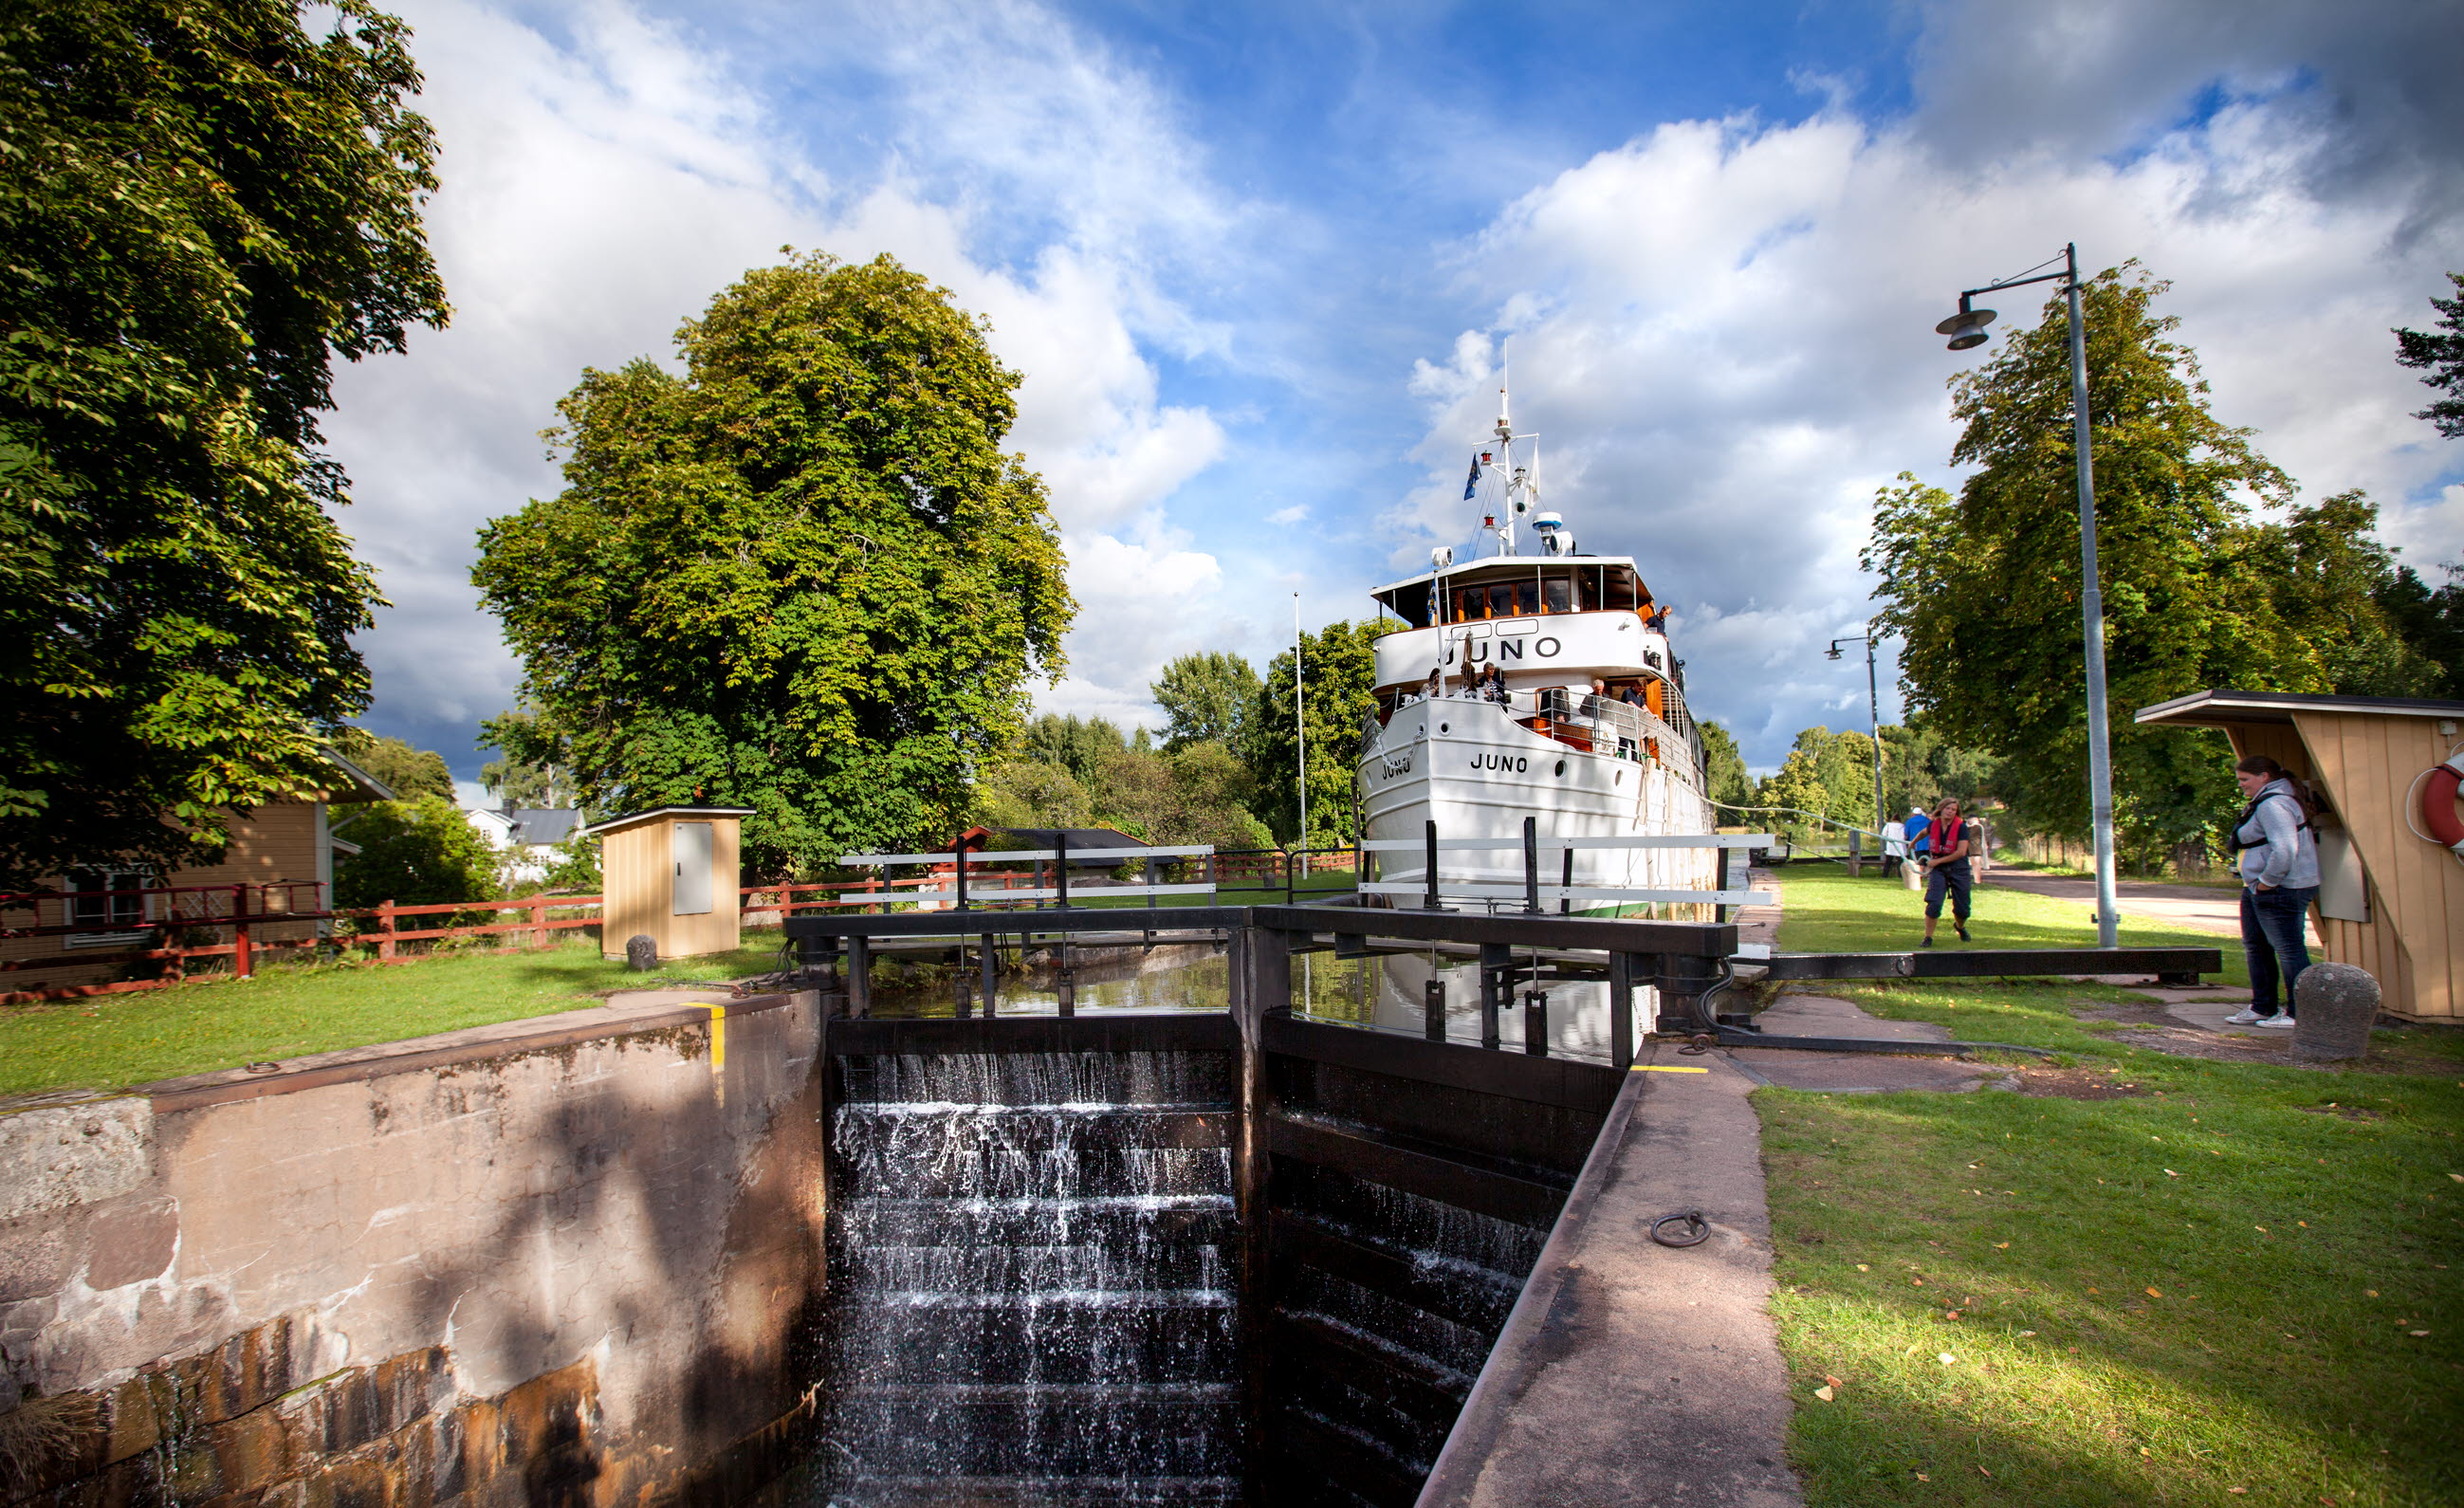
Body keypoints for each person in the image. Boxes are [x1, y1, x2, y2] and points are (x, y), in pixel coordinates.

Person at [2226, 754, 2321, 1029]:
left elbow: (2285, 849)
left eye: (2245, 779)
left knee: (2288, 949)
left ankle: (2298, 1013)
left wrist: (2267, 881)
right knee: (2256, 947)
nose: (2242, 785)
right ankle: (2262, 1007)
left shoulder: (2274, 804)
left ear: (2264, 777)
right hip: (2258, 887)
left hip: (2280, 888)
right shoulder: (2269, 800)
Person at [1919, 798, 1972, 946]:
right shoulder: (1933, 824)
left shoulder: (1961, 827)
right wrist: (1912, 844)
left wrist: (1936, 861)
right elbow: (1923, 833)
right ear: (1941, 809)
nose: (1950, 812)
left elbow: (1961, 852)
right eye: (1948, 808)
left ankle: (1960, 927)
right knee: (1934, 903)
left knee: (1963, 909)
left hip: (1958, 868)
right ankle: (1928, 937)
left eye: (1953, 810)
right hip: (1939, 870)